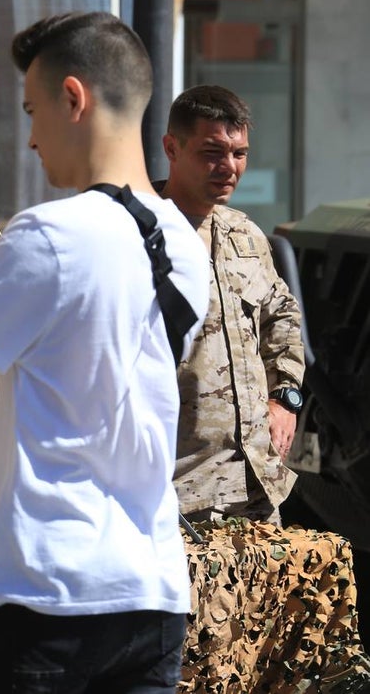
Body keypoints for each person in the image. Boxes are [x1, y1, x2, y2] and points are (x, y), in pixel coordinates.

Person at [0, 11, 209, 692]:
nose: (32, 138)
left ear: (73, 97)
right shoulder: (184, 242)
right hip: (151, 590)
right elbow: (70, 334)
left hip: (47, 594)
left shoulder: (50, 234)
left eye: (33, 112)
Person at [157, 85, 305, 523]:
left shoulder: (245, 234)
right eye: (212, 152)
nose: (229, 167)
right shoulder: (137, 235)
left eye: (239, 154)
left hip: (258, 487)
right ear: (172, 148)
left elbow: (282, 315)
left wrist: (285, 398)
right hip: (177, 496)